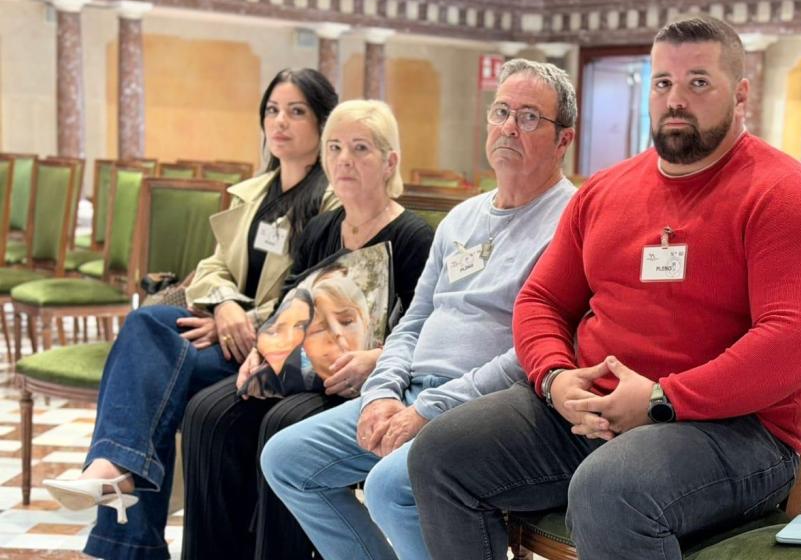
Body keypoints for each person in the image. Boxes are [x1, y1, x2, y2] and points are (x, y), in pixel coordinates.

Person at [407, 15, 801, 560]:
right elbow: (541, 300)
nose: (676, 100)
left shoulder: (791, 197)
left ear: (739, 94)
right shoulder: (605, 192)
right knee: (440, 453)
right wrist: (553, 377)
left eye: (698, 82)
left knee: (610, 488)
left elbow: (794, 345)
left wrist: (664, 399)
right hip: (587, 410)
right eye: (663, 83)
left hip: (736, 432)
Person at [260, 58, 579, 560]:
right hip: (410, 391)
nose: (509, 127)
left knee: (391, 484)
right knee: (286, 458)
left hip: (487, 409)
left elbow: (534, 352)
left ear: (564, 139)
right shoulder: (462, 218)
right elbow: (415, 319)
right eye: (500, 112)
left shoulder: (571, 220)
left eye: (530, 117)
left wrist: (428, 411)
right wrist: (381, 394)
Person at [41, 68, 340, 560]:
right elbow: (213, 265)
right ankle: (116, 471)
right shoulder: (256, 193)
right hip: (229, 334)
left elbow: (315, 289)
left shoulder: (330, 198)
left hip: (272, 351)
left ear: (323, 122)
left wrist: (247, 318)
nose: (280, 122)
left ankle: (121, 526)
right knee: (144, 327)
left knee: (150, 368)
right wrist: (224, 305)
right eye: (272, 110)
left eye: (296, 111)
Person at [180, 100, 434, 560]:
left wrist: (374, 361)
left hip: (366, 380)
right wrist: (263, 346)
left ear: (389, 161)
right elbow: (288, 305)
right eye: (334, 147)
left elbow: (430, 328)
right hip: (303, 365)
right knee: (208, 413)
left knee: (282, 424)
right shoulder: (321, 228)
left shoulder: (414, 237)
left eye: (360, 149)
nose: (344, 160)